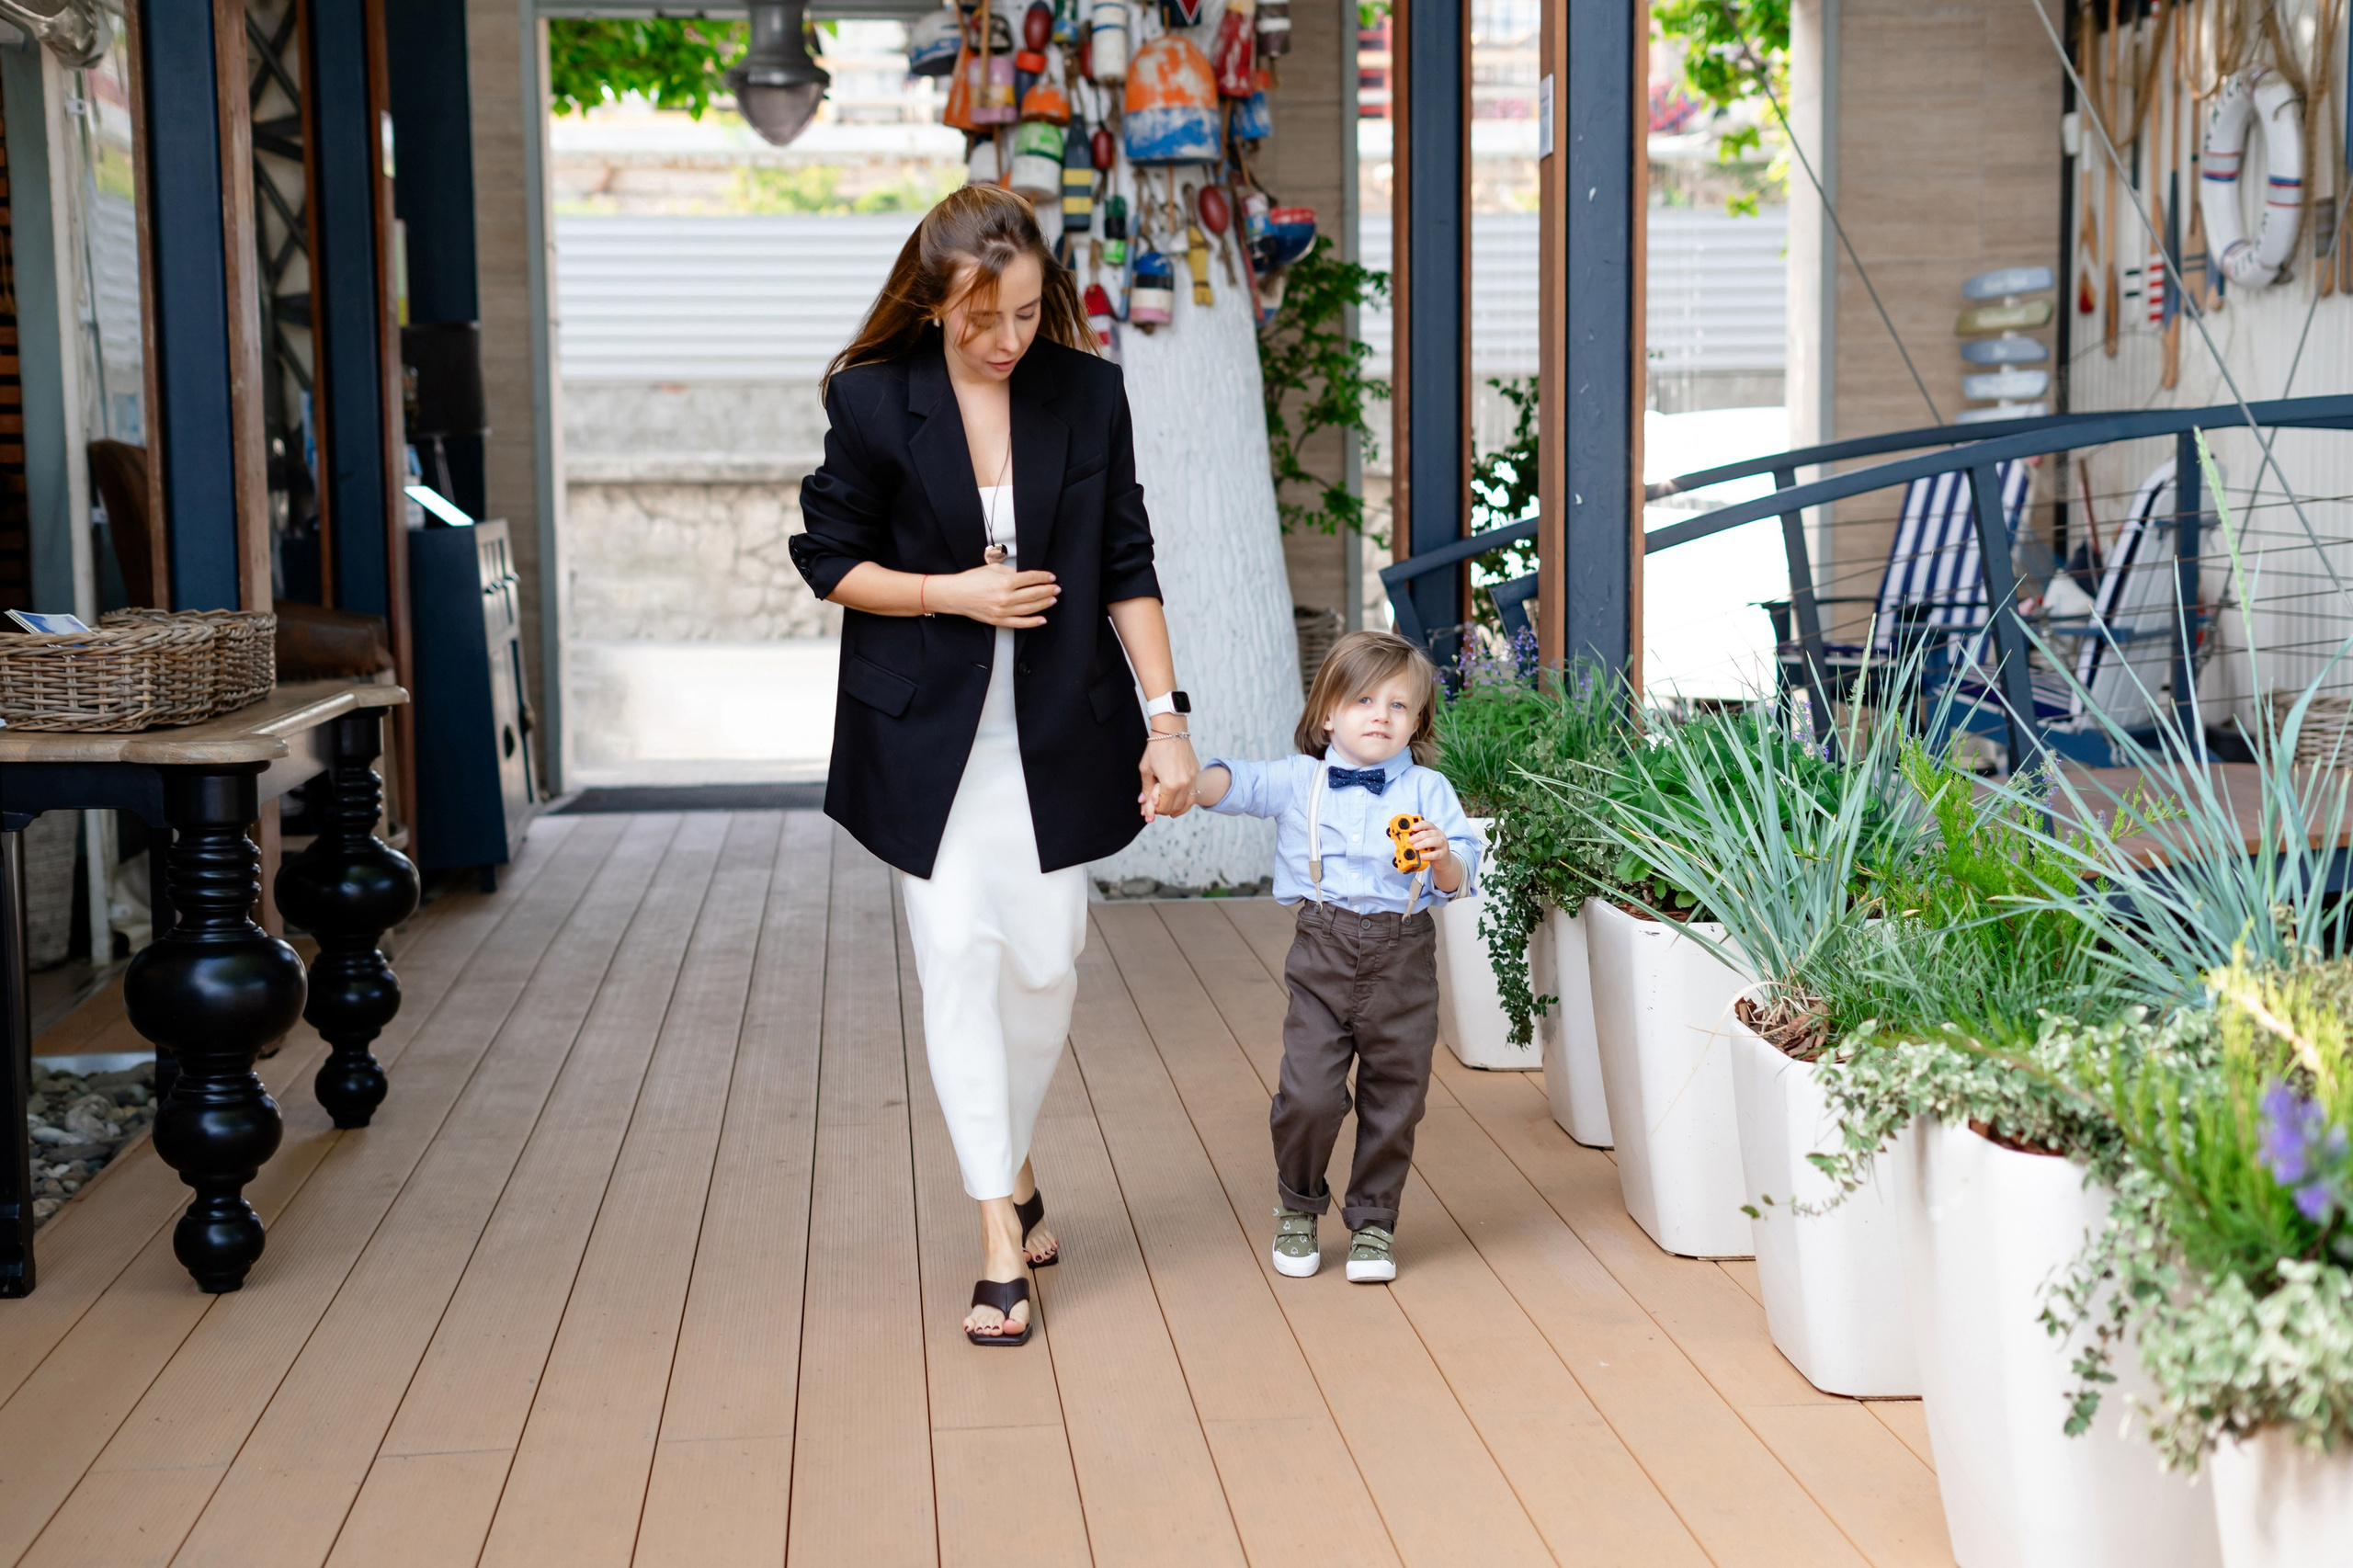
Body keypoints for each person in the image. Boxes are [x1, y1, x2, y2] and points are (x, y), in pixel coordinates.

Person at [791, 186, 1199, 1346]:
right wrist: (948, 593)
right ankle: (994, 1234)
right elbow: (827, 558)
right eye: (982, 320)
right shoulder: (872, 399)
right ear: (933, 304)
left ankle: (1010, 1157)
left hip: (1058, 727)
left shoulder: (1088, 392)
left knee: (1047, 956)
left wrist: (1167, 721)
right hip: (923, 736)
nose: (1007, 340)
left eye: (1024, 313)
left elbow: (1127, 559)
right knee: (959, 958)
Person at [1180, 631, 1479, 1282]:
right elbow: (1238, 785)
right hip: (1323, 949)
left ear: (1418, 721)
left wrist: (1445, 858)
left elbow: (1462, 880)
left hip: (1403, 957)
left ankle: (1374, 1221)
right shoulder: (1300, 781)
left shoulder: (1429, 791)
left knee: (1396, 1096)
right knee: (1308, 1093)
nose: (1380, 715)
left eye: (1399, 706)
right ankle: (1298, 1204)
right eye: (1365, 699)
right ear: (1327, 714)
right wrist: (1187, 782)